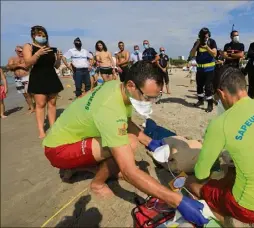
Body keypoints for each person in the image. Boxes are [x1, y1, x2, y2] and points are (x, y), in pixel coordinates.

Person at [42, 61, 209, 226]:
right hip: (58, 149)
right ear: (131, 85)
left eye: (155, 97)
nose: (150, 102)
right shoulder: (111, 111)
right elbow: (129, 172)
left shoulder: (116, 86)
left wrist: (149, 141)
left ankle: (80, 167)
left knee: (127, 140)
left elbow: (125, 120)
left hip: (70, 135)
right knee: (128, 143)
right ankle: (97, 184)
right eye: (147, 97)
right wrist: (178, 201)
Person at [185, 66, 254, 227]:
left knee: (192, 183)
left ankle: (228, 219)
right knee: (234, 169)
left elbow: (201, 173)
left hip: (248, 208)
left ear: (221, 93)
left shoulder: (221, 123)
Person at [23, 25, 64, 138]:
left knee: (52, 103)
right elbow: (27, 63)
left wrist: (59, 59)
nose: (42, 37)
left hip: (51, 76)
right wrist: (37, 54)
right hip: (38, 76)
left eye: (44, 35)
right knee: (40, 104)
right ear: (33, 36)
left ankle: (53, 126)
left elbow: (56, 66)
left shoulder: (49, 48)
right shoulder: (28, 46)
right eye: (39, 35)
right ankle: (41, 130)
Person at [189, 27, 218, 112]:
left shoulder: (212, 42)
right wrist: (197, 44)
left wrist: (207, 47)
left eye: (207, 35)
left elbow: (214, 54)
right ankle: (200, 100)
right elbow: (192, 54)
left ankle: (210, 104)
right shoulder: (197, 42)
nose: (205, 37)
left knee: (208, 87)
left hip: (209, 69)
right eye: (204, 36)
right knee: (199, 86)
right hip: (200, 69)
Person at [7, 46, 35, 113]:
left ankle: (37, 105)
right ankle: (31, 107)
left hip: (27, 76)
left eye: (22, 51)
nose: (21, 53)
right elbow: (9, 67)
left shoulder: (27, 58)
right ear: (16, 51)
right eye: (19, 51)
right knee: (25, 94)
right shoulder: (12, 58)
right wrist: (19, 65)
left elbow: (28, 65)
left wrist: (15, 65)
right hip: (17, 78)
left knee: (31, 93)